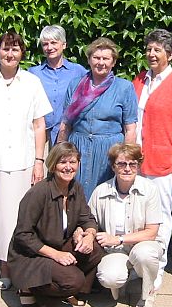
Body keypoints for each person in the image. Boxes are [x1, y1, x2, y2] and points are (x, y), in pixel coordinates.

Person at [0, 31, 52, 290]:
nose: (10, 54)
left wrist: (39, 161)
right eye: (5, 48)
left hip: (25, 161)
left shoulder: (32, 82)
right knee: (0, 218)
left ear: (22, 54)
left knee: (25, 217)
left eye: (15, 49)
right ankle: (5, 266)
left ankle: (24, 263)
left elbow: (39, 125)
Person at [7, 142, 103, 307]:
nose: (68, 167)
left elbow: (87, 218)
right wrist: (56, 255)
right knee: (74, 280)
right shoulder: (38, 193)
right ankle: (29, 288)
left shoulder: (76, 188)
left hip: (58, 244)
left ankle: (69, 291)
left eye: (72, 162)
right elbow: (23, 235)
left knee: (95, 248)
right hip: (31, 255)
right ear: (53, 165)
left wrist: (89, 235)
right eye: (62, 162)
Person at [132, 29, 172, 289]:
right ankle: (138, 264)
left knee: (161, 215)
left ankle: (157, 267)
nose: (151, 54)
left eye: (157, 50)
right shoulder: (140, 80)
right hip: (135, 160)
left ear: (171, 54)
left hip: (162, 160)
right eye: (149, 49)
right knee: (135, 214)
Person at [57, 37, 138, 200]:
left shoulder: (124, 88)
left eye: (106, 58)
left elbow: (130, 128)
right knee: (73, 194)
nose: (101, 62)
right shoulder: (75, 85)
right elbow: (65, 123)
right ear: (89, 59)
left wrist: (125, 159)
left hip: (109, 151)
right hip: (78, 148)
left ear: (113, 62)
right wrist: (60, 153)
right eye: (96, 58)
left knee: (106, 196)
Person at [89, 143, 164, 307]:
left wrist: (118, 238)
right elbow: (89, 222)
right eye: (121, 164)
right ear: (113, 166)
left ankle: (147, 292)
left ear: (138, 165)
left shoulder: (150, 190)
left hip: (144, 244)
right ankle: (124, 279)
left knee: (144, 255)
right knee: (109, 277)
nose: (127, 169)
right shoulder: (100, 191)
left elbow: (152, 232)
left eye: (132, 164)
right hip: (115, 250)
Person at [28, 25, 87, 146]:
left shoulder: (78, 71)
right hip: (41, 135)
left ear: (64, 45)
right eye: (45, 44)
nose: (49, 47)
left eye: (54, 43)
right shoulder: (33, 73)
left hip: (69, 133)